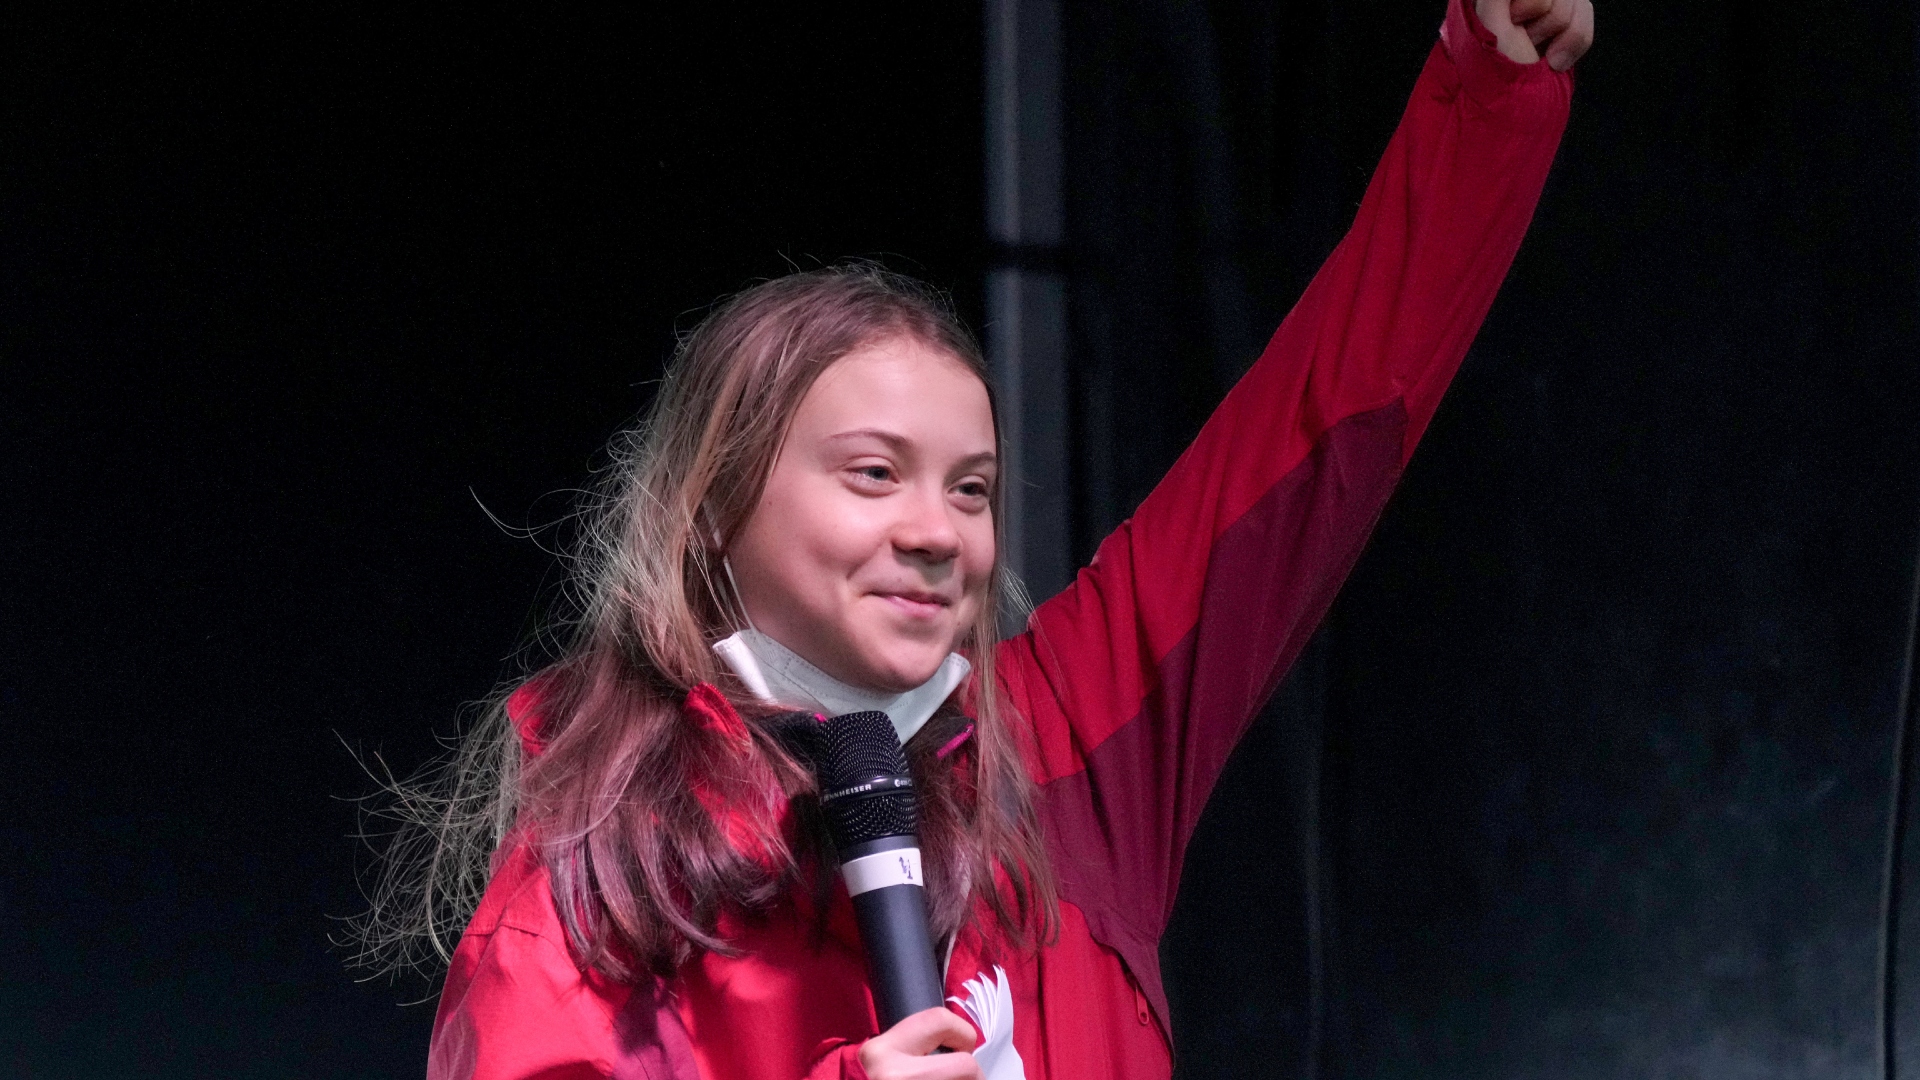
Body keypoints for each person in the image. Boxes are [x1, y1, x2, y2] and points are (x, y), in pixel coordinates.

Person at [367, 1, 1593, 1076]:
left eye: (971, 489)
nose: (935, 533)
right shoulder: (601, 856)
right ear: (715, 511)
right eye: (874, 475)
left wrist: (1484, 96)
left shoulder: (1071, 748)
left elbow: (1316, 424)